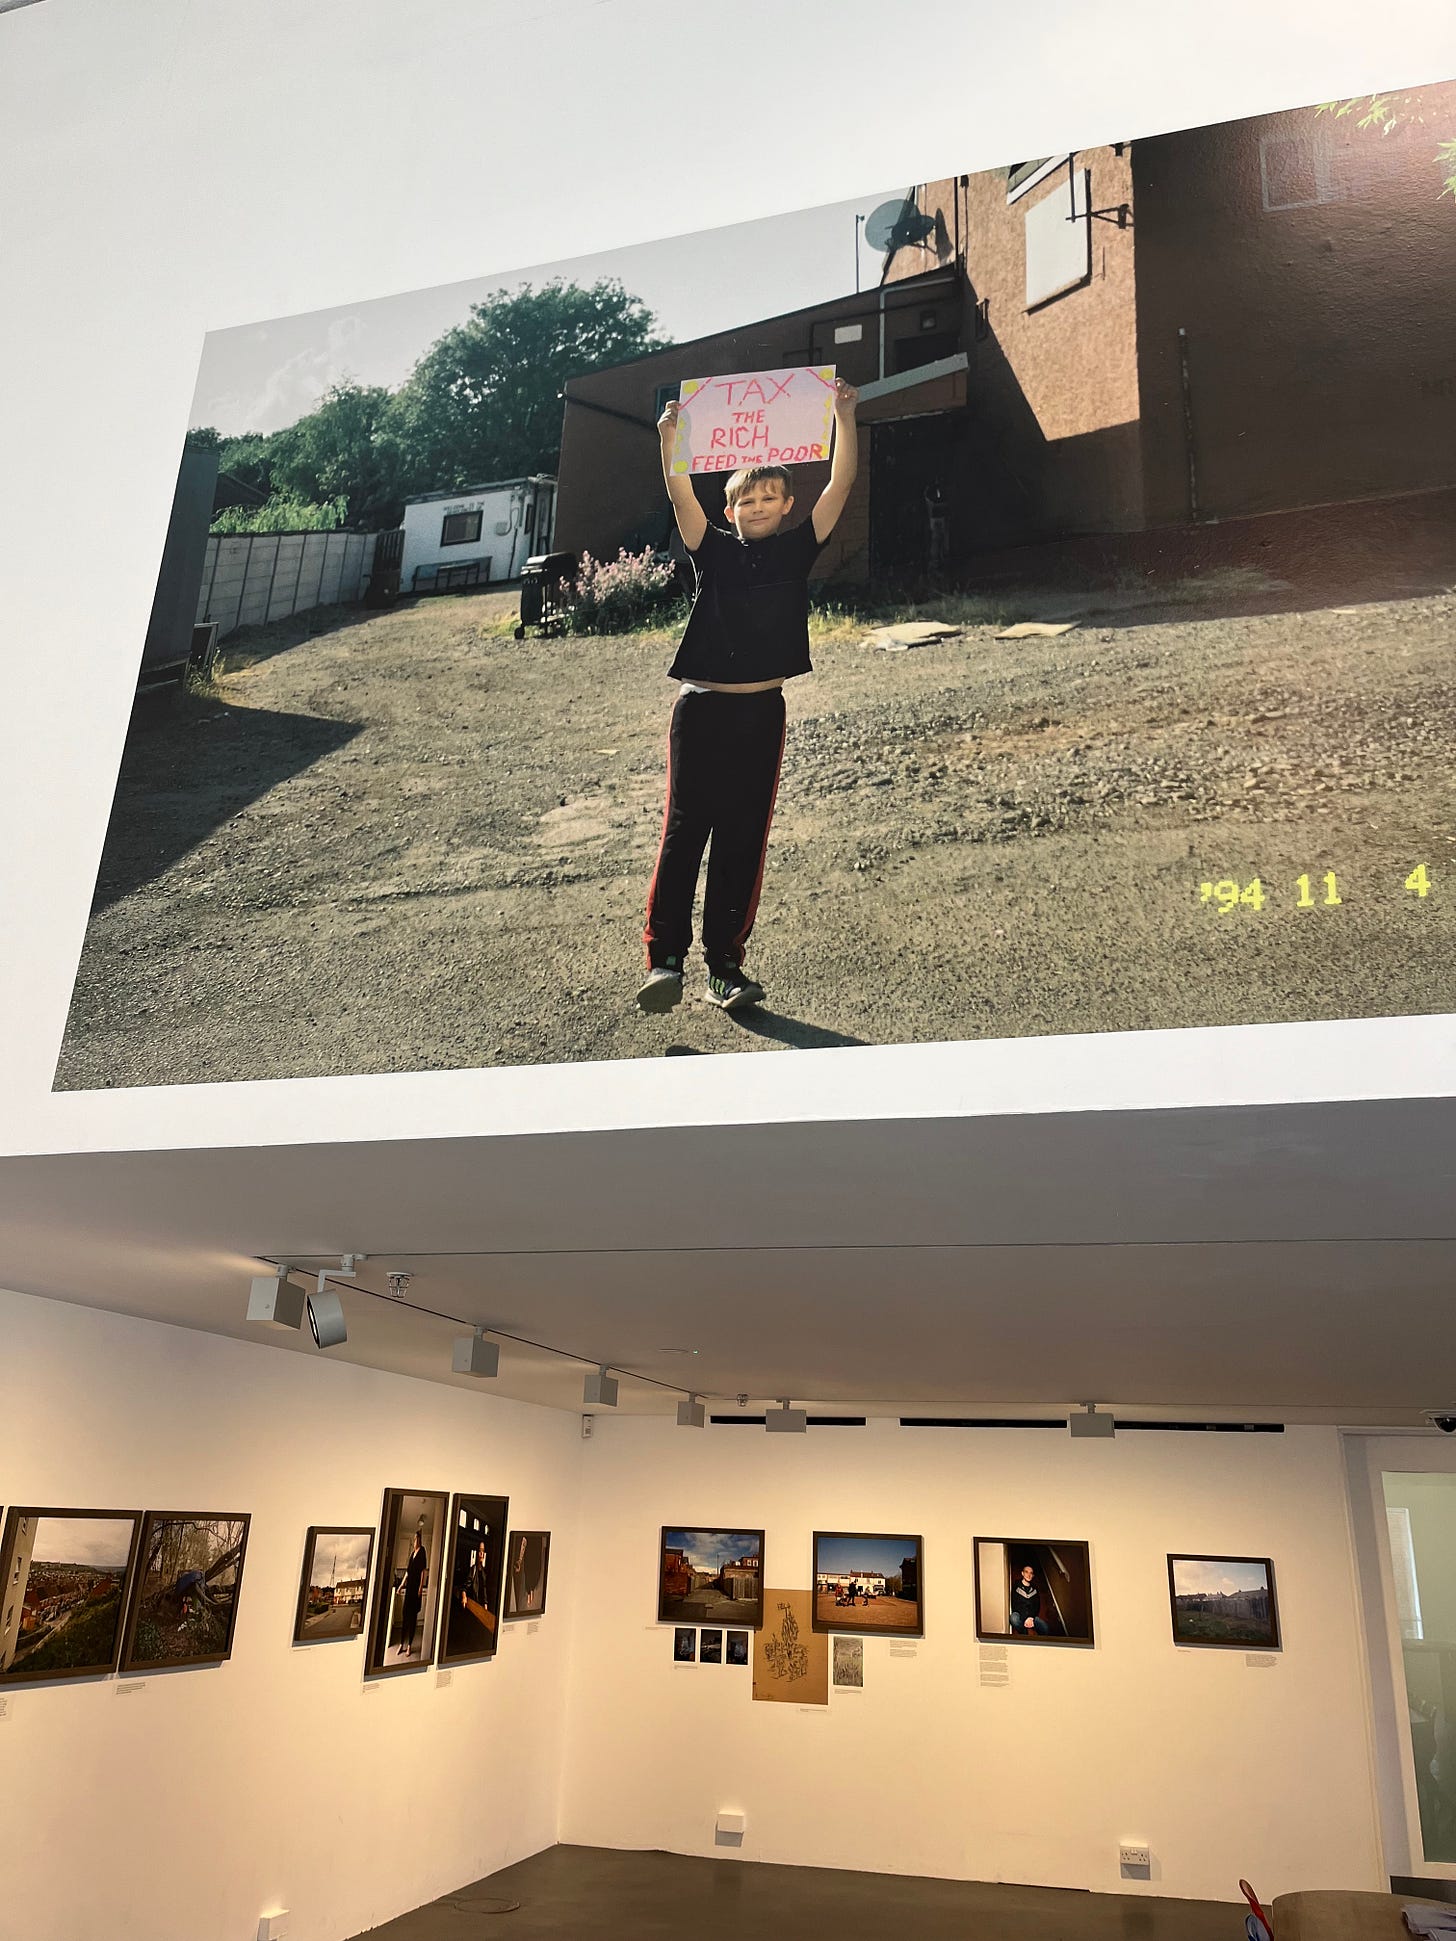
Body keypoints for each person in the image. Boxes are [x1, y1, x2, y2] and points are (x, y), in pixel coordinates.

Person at [637, 377, 859, 1015]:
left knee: (743, 835)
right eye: (746, 499)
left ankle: (725, 967)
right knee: (686, 831)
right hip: (702, 708)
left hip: (763, 710)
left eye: (769, 496)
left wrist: (845, 416)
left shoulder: (798, 550)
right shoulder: (712, 551)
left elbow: (840, 483)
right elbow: (681, 491)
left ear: (787, 503)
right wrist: (671, 438)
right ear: (730, 509)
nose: (758, 506)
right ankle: (664, 959)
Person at [397, 1529, 428, 1657]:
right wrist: (401, 1585)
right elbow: (408, 1573)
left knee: (412, 1618)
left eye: (416, 1539)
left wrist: (421, 1587)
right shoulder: (411, 1554)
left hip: (416, 1589)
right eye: (414, 1539)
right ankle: (401, 1644)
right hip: (409, 1588)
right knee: (405, 1616)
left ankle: (409, 1645)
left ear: (419, 1540)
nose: (415, 1541)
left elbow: (423, 1571)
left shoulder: (422, 1551)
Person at [1010, 1562, 1050, 1635]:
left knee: (1045, 1627)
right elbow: (1015, 1604)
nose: (1029, 1575)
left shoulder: (1035, 1588)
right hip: (1020, 1613)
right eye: (1026, 1572)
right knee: (1013, 1619)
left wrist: (1030, 1617)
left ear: (1033, 1575)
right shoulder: (1016, 1586)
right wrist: (1025, 1617)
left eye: (1031, 1573)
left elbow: (1037, 1605)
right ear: (1022, 1573)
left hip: (1031, 1616)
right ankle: (1024, 1632)